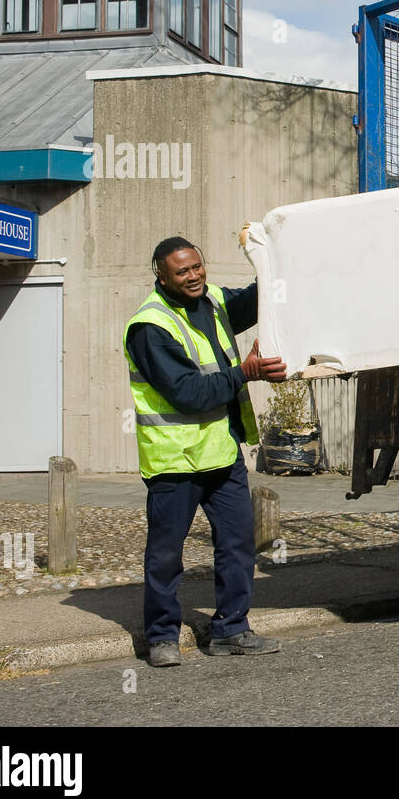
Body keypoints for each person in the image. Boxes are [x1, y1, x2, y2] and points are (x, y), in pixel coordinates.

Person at [123, 235, 287, 668]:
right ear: (161, 275)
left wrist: (274, 259)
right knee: (165, 556)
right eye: (182, 271)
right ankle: (161, 637)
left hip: (221, 452)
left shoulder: (211, 299)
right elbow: (188, 393)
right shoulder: (150, 327)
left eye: (197, 266)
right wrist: (245, 373)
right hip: (174, 461)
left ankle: (231, 630)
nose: (194, 276)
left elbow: (255, 301)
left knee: (237, 546)